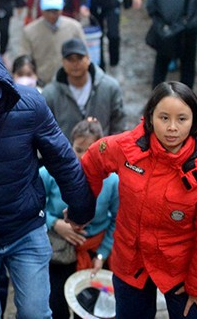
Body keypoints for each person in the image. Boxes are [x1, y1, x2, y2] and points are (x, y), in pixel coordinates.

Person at [0, 33, 95, 319]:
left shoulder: (29, 105)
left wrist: (81, 209)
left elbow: (63, 160)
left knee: (35, 313)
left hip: (25, 229)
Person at [81, 82, 197, 319]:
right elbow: (91, 162)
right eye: (163, 117)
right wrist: (82, 211)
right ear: (150, 117)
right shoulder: (126, 148)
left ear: (195, 120)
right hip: (130, 261)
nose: (172, 128)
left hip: (180, 269)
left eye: (182, 119)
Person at [41, 118, 118, 319]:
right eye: (79, 149)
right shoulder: (50, 174)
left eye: (92, 149)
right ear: (69, 146)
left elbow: (118, 220)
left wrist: (101, 255)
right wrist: (55, 223)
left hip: (94, 253)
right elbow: (31, 206)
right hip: (58, 251)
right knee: (56, 307)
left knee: (91, 310)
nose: (85, 156)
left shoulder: (112, 181)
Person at [43, 37, 127, 140]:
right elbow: (46, 131)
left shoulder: (110, 88)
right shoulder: (50, 94)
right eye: (70, 59)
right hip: (65, 153)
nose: (75, 64)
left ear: (88, 58)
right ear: (63, 62)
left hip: (103, 152)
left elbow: (119, 124)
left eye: (79, 58)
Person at [20, 0, 85, 85]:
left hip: (69, 82)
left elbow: (85, 55)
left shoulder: (74, 28)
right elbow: (24, 59)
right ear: (41, 10)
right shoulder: (29, 31)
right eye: (48, 10)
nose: (51, 15)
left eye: (55, 10)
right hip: (42, 82)